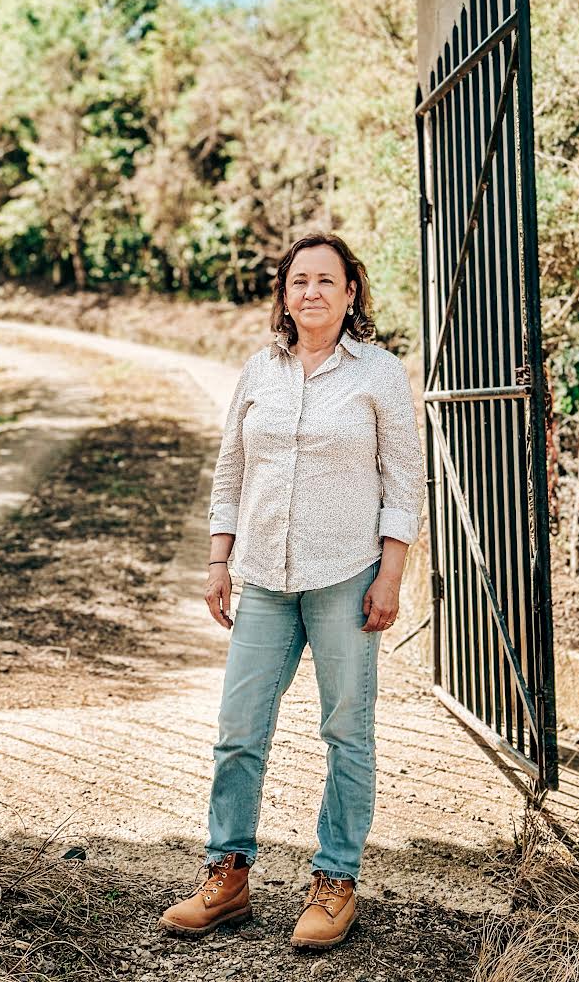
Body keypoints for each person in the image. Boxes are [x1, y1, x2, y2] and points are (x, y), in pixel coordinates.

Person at [159, 231, 426, 951]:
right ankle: (227, 876)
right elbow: (230, 471)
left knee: (347, 732)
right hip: (265, 581)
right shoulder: (259, 370)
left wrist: (391, 575)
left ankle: (335, 881)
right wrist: (218, 561)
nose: (311, 291)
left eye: (325, 280)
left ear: (351, 292)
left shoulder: (379, 373)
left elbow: (403, 483)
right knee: (238, 729)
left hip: (347, 577)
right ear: (284, 293)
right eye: (298, 280)